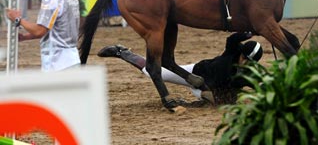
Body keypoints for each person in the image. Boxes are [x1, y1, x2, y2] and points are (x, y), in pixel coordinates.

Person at [97, 32, 263, 104]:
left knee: (215, 98)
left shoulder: (251, 73)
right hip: (194, 74)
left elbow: (263, 84)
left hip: (206, 90)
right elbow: (232, 38)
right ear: (241, 53)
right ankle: (122, 52)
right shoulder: (232, 52)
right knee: (152, 72)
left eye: (250, 62)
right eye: (245, 59)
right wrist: (248, 33)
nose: (246, 63)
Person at [5, 0, 80, 72]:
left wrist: (17, 19)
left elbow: (40, 31)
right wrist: (26, 37)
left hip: (57, 63)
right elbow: (52, 28)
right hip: (72, 59)